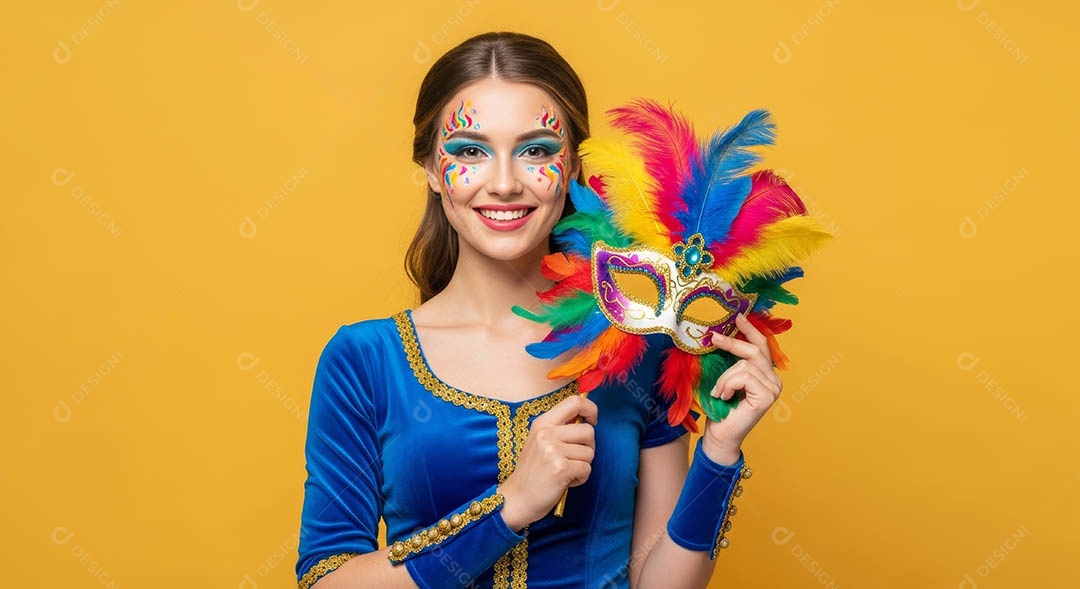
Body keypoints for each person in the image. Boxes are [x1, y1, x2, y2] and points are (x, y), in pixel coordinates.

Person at [295, 31, 783, 589]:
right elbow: (325, 580)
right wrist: (508, 507)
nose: (504, 184)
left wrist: (719, 455)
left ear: (572, 165)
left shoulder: (638, 344)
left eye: (535, 150)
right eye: (470, 151)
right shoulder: (363, 360)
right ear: (432, 169)